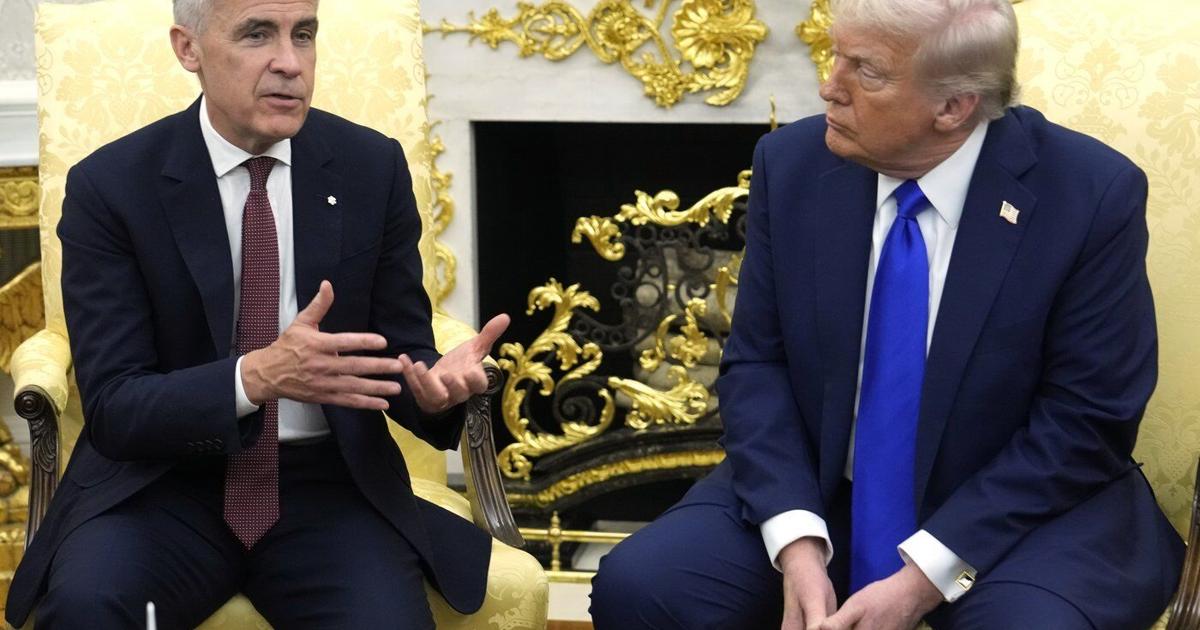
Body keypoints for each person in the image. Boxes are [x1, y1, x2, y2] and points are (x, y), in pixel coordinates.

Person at [590, 0, 1184, 628]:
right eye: (835, 56)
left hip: (1017, 508)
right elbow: (758, 364)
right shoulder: (792, 165)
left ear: (953, 107)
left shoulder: (1089, 194)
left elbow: (1087, 417)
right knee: (645, 587)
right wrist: (795, 541)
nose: (829, 86)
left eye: (866, 71)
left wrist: (925, 575)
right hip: (826, 487)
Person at [4, 0, 510, 627]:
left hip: (330, 488)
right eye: (257, 34)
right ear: (188, 48)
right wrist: (256, 376)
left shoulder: (369, 168)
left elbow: (401, 350)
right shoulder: (112, 186)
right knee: (88, 606)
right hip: (160, 486)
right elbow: (114, 406)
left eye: (304, 34)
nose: (290, 63)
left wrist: (433, 391)